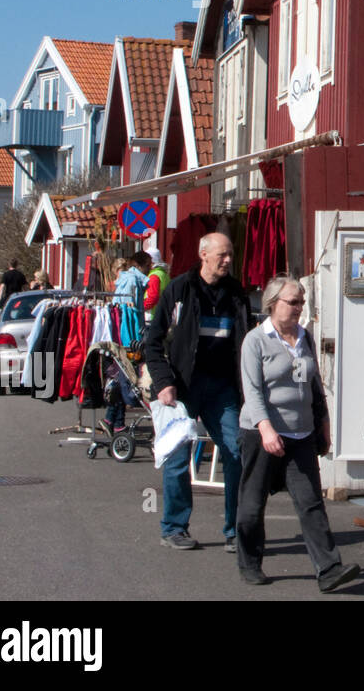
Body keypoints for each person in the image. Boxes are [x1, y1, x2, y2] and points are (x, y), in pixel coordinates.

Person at [236, 276, 358, 591]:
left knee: (311, 503)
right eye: (293, 302)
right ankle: (250, 562)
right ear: (272, 303)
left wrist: (324, 424)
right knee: (252, 504)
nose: (299, 308)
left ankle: (329, 570)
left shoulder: (305, 337)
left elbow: (314, 385)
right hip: (261, 432)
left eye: (301, 302)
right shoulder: (256, 340)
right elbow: (252, 391)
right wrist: (266, 429)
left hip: (301, 433)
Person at [142, 233, 250, 551]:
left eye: (231, 254)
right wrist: (163, 383)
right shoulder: (178, 290)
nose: (228, 260)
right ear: (203, 254)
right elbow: (153, 341)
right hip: (182, 388)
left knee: (235, 452)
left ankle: (235, 531)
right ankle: (174, 528)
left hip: (223, 388)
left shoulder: (237, 294)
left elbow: (246, 343)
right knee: (177, 458)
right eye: (222, 255)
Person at [144, 247, 170, 323]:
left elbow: (152, 298)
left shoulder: (153, 276)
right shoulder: (164, 274)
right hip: (162, 314)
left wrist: (140, 307)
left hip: (151, 316)